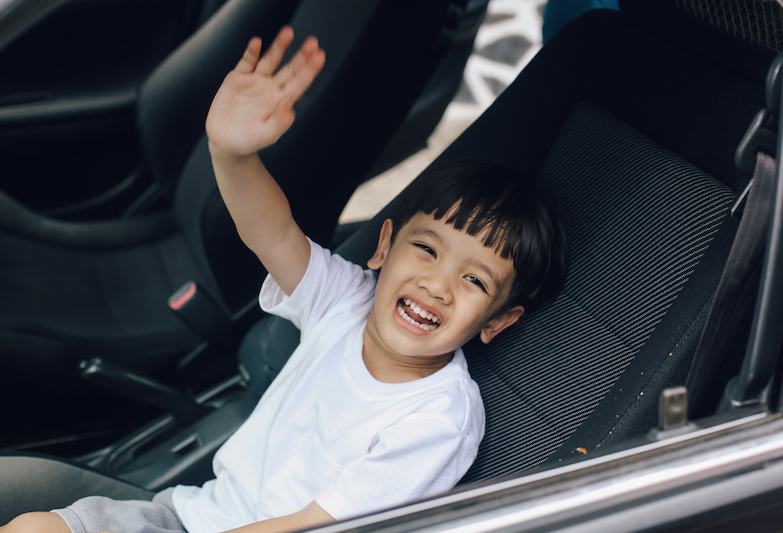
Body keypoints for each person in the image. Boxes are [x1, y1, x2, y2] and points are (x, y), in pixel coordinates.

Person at [1, 26, 567, 533]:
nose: (437, 285)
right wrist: (231, 153)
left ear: (499, 321)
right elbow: (271, 234)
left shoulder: (438, 419)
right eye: (425, 249)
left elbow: (315, 524)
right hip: (190, 513)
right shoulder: (345, 301)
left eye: (474, 282)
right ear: (384, 246)